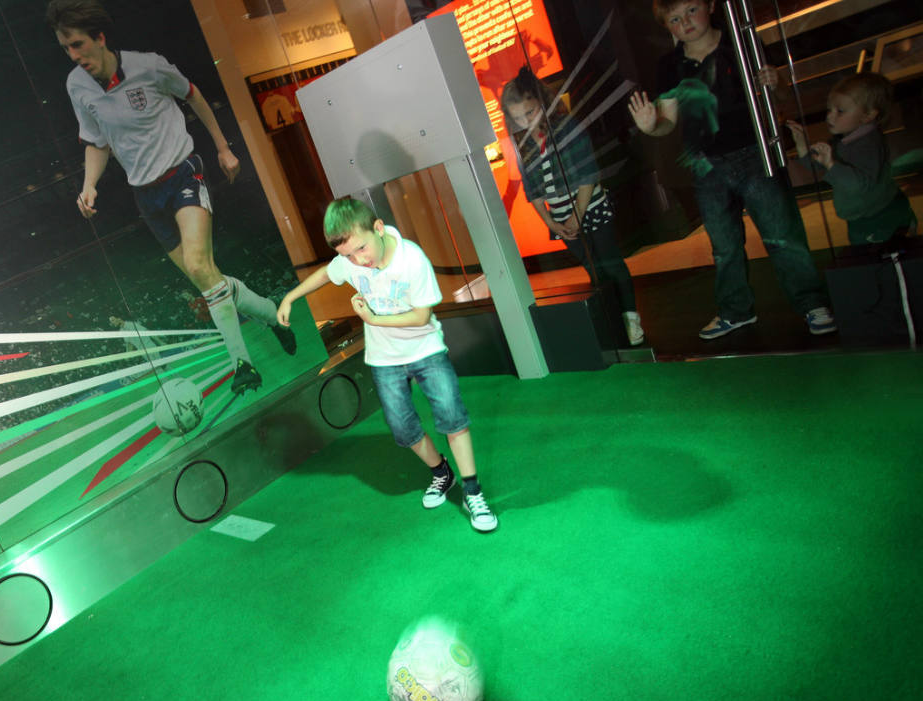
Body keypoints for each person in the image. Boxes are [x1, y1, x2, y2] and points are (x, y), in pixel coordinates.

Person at [47, 0, 295, 395]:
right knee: (209, 282)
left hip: (183, 172)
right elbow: (96, 142)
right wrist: (89, 184)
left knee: (200, 265)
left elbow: (194, 96)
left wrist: (223, 148)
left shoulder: (149, 66)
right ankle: (270, 313)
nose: (75, 56)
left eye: (78, 45)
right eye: (66, 50)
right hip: (145, 195)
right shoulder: (77, 86)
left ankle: (242, 366)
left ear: (100, 38)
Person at [276, 198, 497, 532]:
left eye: (361, 249)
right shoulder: (350, 261)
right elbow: (325, 273)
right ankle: (442, 473)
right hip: (384, 361)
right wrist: (289, 297)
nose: (357, 261)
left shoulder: (412, 260)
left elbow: (422, 316)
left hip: (425, 350)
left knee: (452, 419)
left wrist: (373, 320)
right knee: (404, 430)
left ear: (378, 228)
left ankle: (472, 491)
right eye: (348, 255)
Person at [626, 0, 837, 340]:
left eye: (691, 11)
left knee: (782, 235)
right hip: (706, 163)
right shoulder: (670, 65)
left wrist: (777, 83)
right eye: (676, 19)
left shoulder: (741, 42)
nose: (686, 23)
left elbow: (777, 96)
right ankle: (736, 311)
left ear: (709, 6)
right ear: (668, 26)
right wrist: (651, 126)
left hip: (754, 151)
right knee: (724, 246)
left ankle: (812, 303)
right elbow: (668, 121)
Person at [501, 68, 645, 346]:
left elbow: (588, 175)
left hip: (590, 207)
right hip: (562, 218)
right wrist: (551, 222)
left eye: (530, 113)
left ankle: (631, 318)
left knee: (612, 263)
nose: (525, 122)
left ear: (543, 103)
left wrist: (577, 216)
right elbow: (533, 191)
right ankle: (613, 321)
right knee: (594, 271)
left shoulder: (567, 127)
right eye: (517, 117)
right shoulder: (521, 143)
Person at [786, 72, 918, 246]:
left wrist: (831, 165)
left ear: (868, 115)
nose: (829, 116)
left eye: (840, 111)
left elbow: (859, 184)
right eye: (829, 109)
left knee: (889, 264)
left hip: (880, 217)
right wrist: (803, 146)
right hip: (863, 218)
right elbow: (819, 164)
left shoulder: (868, 144)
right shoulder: (845, 139)